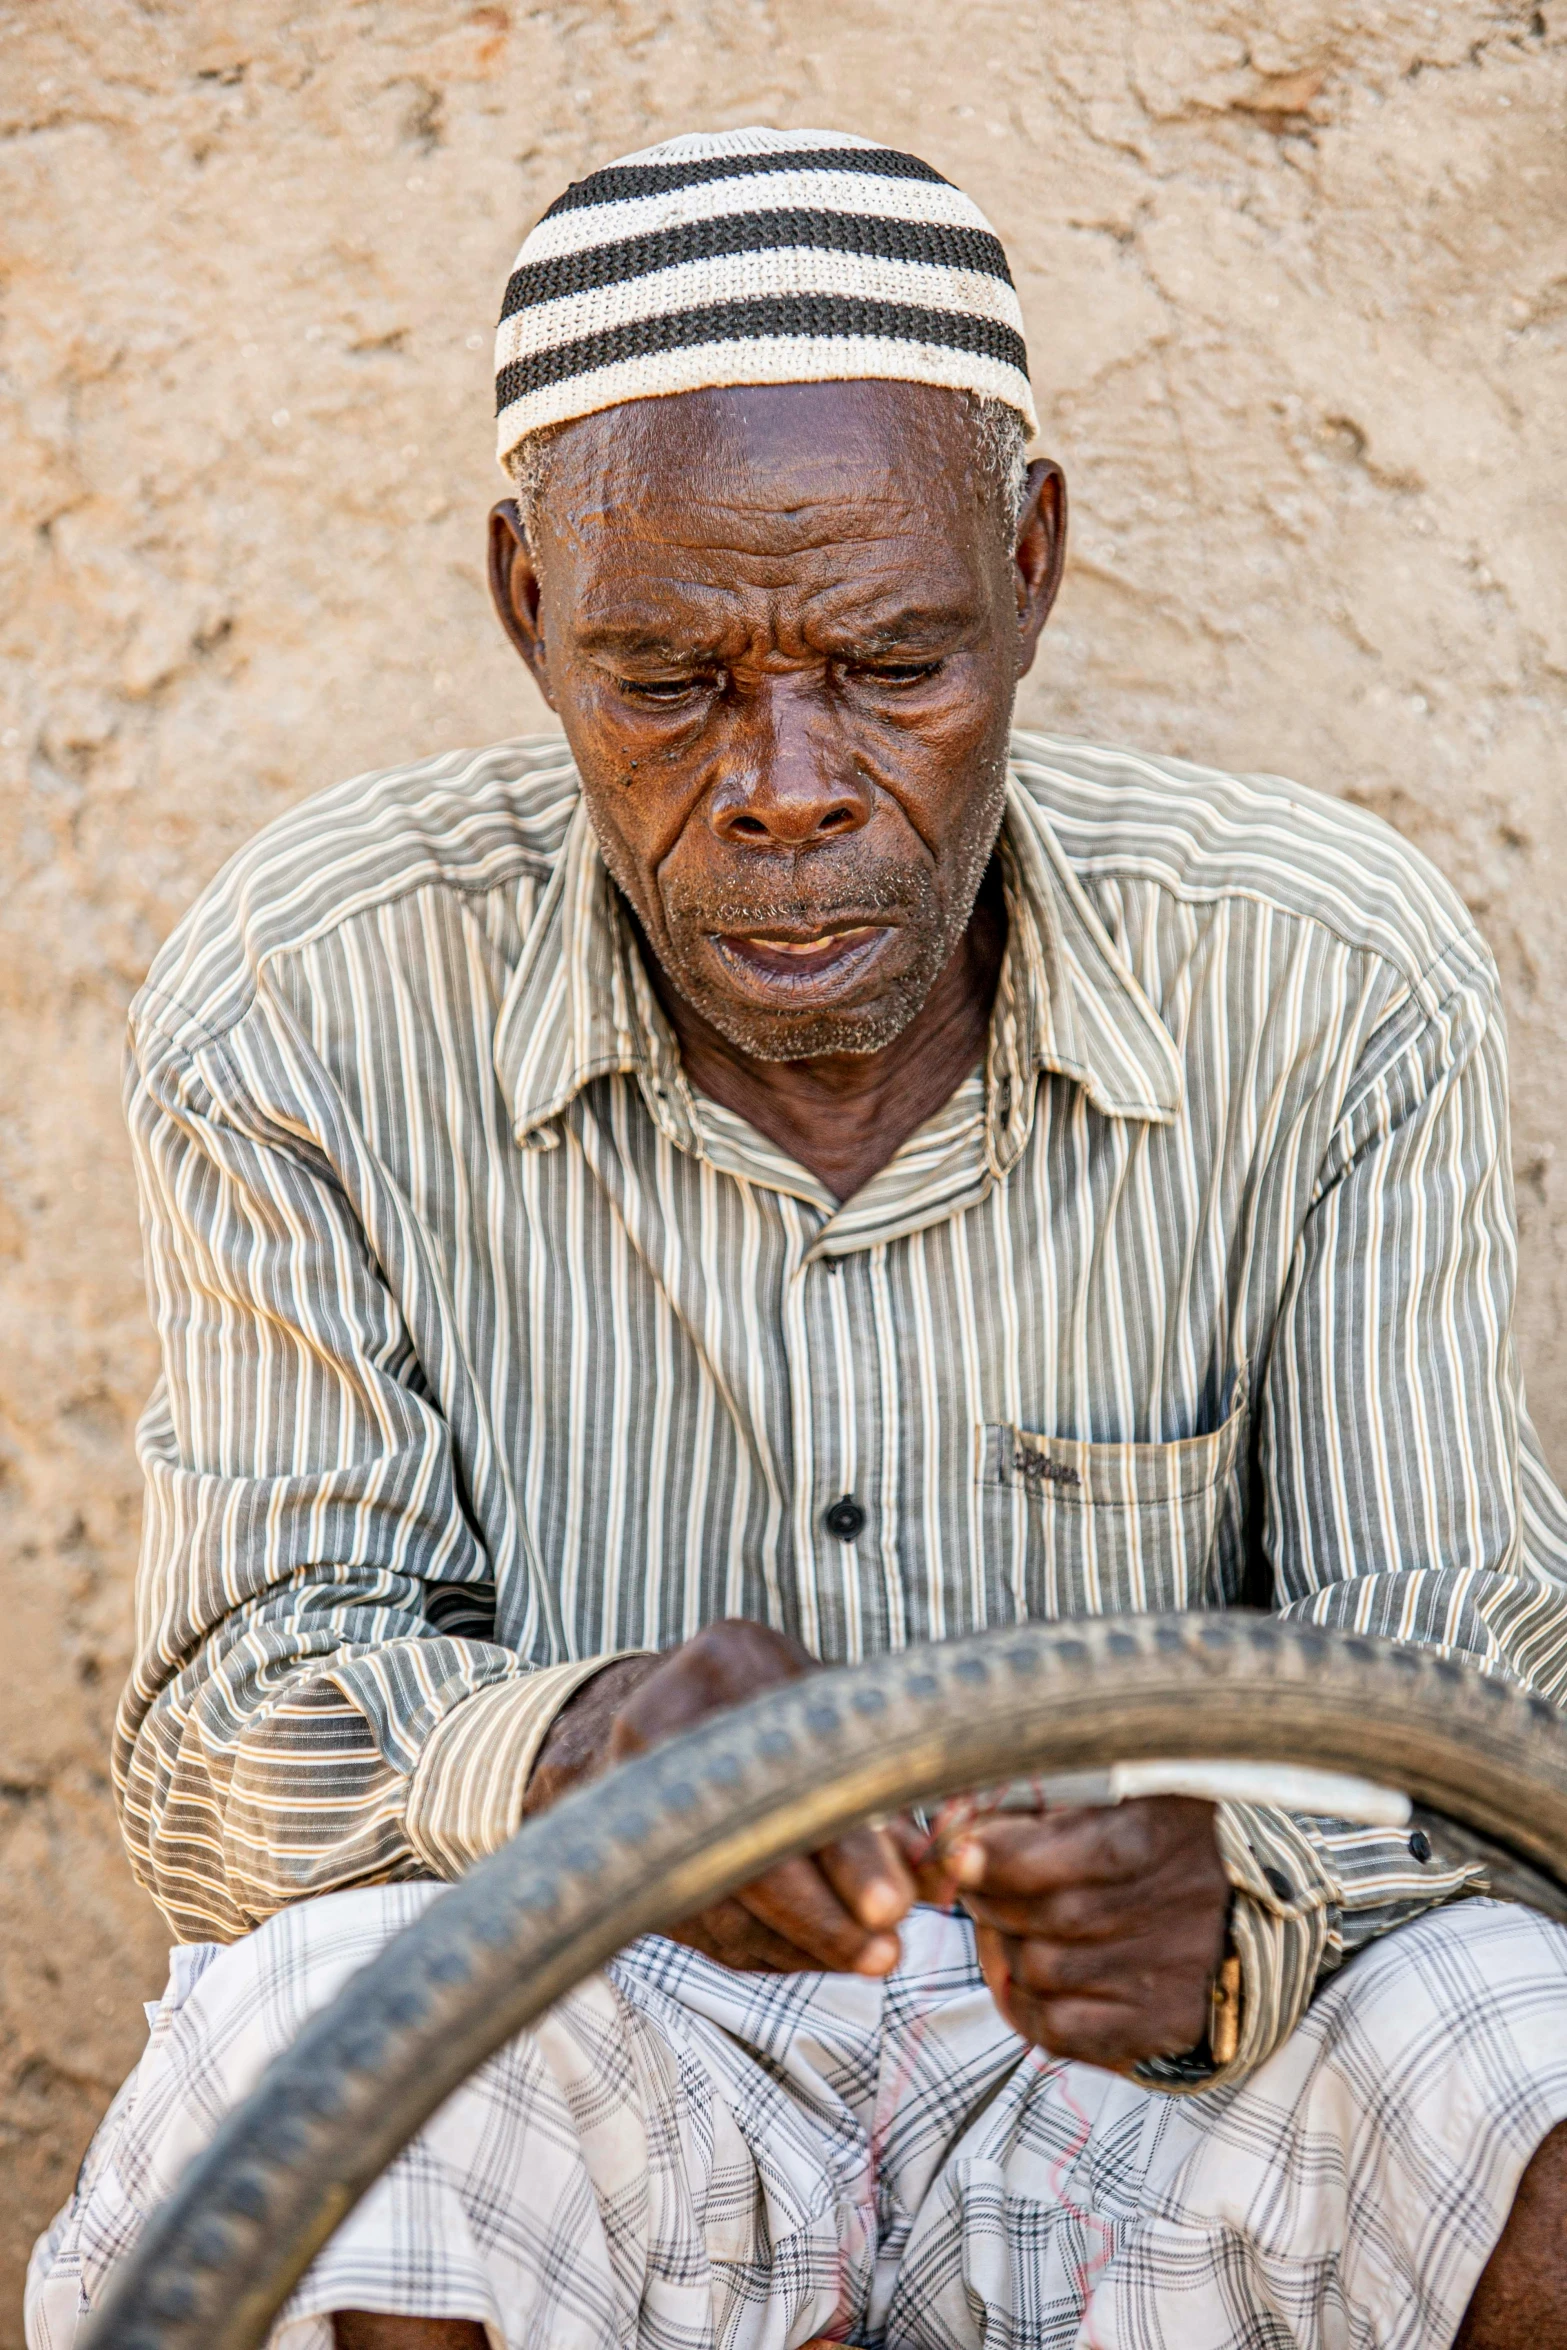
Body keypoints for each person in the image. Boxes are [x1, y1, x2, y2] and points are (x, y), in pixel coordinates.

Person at [26, 126, 1567, 2350]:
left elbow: (1478, 1686)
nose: (784, 780)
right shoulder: (315, 990)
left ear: (1032, 567)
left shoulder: (1319, 974)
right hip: (604, 2021)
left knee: (1523, 2065)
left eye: (891, 659)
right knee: (336, 2068)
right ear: (524, 602)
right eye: (668, 678)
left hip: (1168, 2063)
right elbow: (221, 1747)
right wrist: (585, 1762)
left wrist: (1233, 1881)